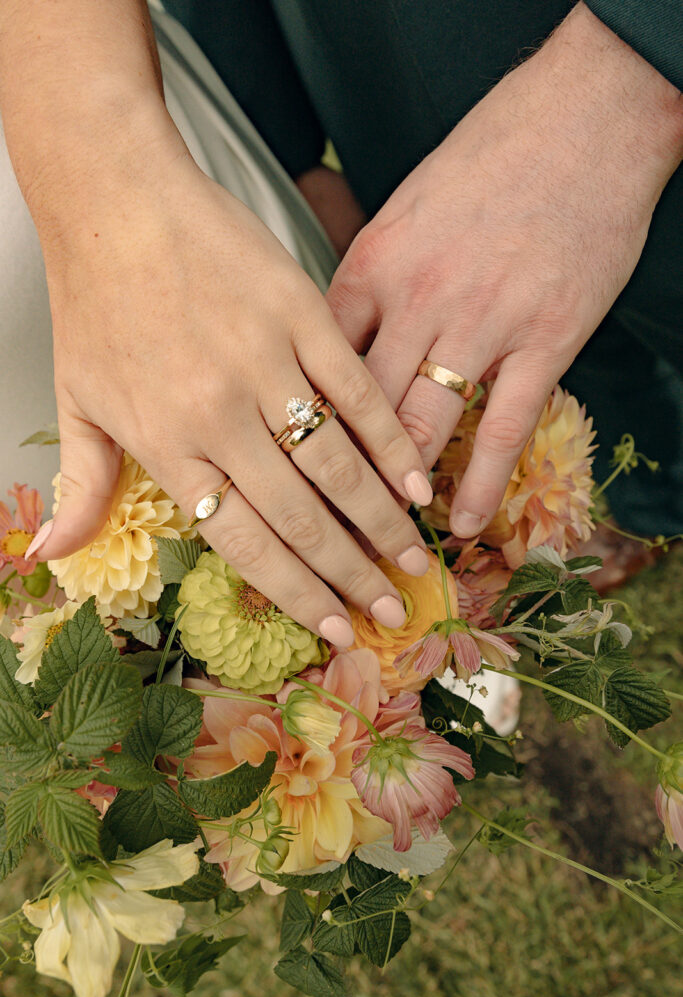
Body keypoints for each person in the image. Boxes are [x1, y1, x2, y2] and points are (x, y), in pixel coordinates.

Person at [0, 2, 680, 637]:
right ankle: (654, 499)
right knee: (504, 360)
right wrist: (277, 137)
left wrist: (628, 70)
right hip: (362, 72)